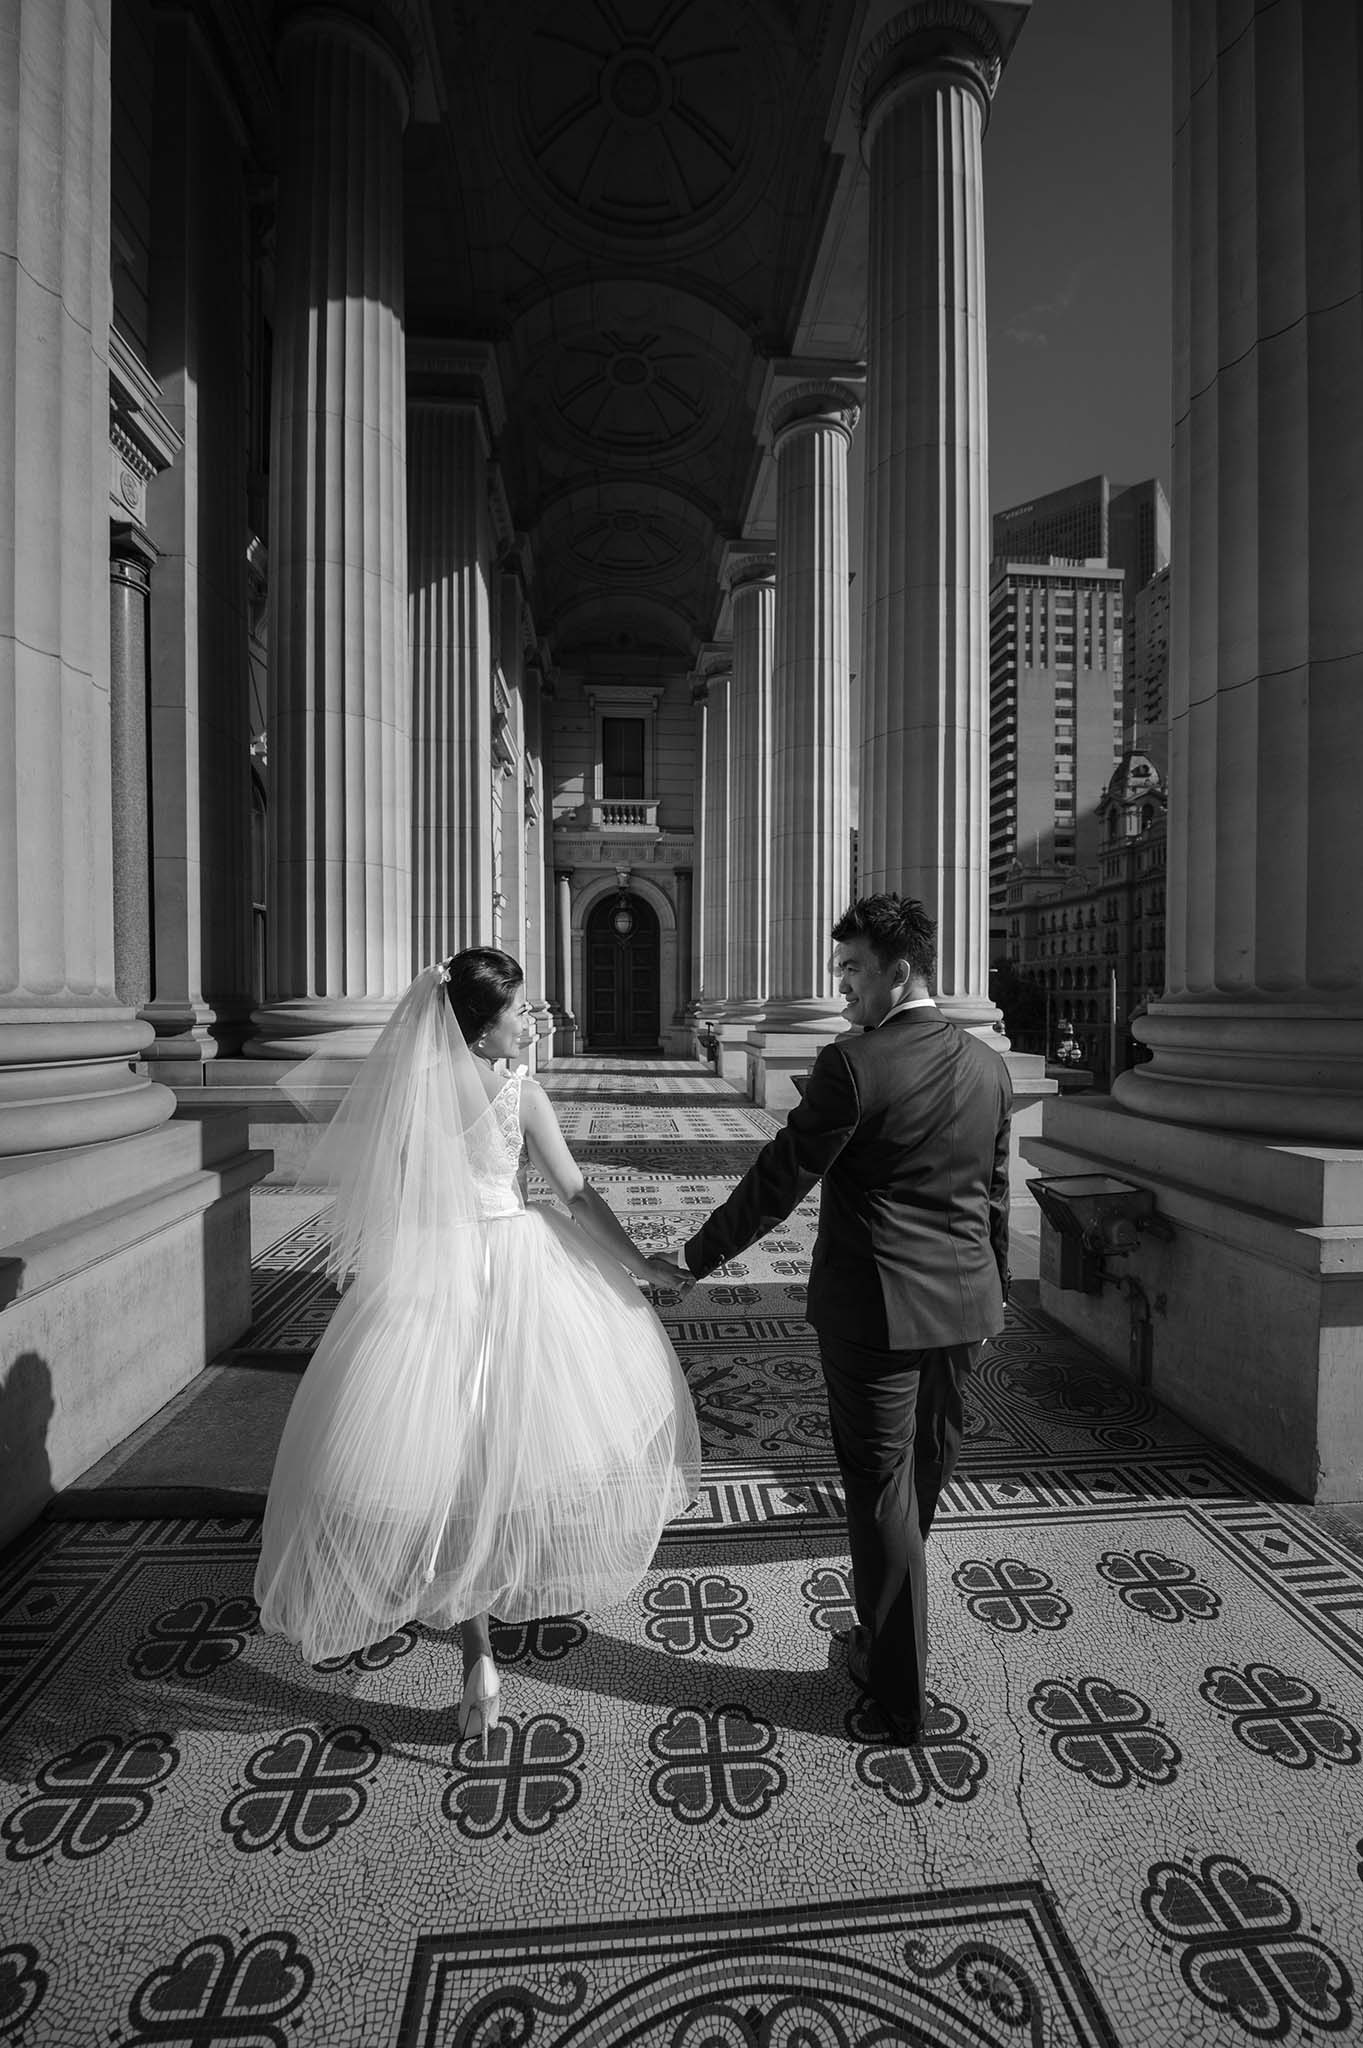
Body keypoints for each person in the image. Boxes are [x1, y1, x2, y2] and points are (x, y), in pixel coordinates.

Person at [255, 949, 698, 1746]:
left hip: (426, 1275)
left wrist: (378, 1279)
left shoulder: (412, 1093)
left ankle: (475, 1654)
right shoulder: (519, 1093)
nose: (533, 1022)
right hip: (519, 1271)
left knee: (444, 1458)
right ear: (482, 1027)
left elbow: (384, 1199)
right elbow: (575, 1194)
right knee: (507, 1453)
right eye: (519, 1011)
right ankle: (494, 1596)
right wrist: (640, 1266)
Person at [659, 894, 1010, 1742]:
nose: (841, 985)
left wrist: (695, 1258)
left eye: (852, 970)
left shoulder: (852, 1065)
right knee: (918, 1474)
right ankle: (890, 1624)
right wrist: (992, 1291)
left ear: (900, 972)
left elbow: (780, 1178)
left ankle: (895, 1689)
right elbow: (993, 1196)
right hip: (965, 1308)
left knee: (880, 1488)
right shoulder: (987, 1064)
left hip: (875, 1315)